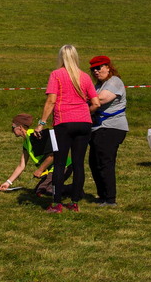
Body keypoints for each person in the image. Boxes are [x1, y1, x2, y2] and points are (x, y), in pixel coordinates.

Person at [35, 45, 100, 213]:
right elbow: (96, 103)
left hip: (63, 123)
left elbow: (51, 101)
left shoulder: (56, 75)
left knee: (60, 162)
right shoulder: (85, 77)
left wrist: (41, 123)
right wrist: (84, 111)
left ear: (61, 57)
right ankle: (74, 202)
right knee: (78, 163)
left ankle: (56, 203)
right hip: (84, 123)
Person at [0, 114, 72, 196]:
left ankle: (74, 189)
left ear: (20, 127)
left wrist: (40, 170)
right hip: (51, 169)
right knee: (39, 191)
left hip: (63, 166)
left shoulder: (35, 136)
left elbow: (52, 155)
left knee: (45, 191)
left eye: (13, 127)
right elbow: (21, 165)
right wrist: (8, 182)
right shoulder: (26, 142)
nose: (12, 130)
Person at [88, 55, 128, 206]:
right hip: (98, 128)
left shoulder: (114, 82)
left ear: (108, 67)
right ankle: (102, 195)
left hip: (112, 127)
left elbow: (100, 100)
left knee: (105, 162)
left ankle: (110, 198)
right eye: (93, 69)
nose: (96, 71)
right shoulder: (99, 85)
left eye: (99, 68)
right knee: (94, 162)